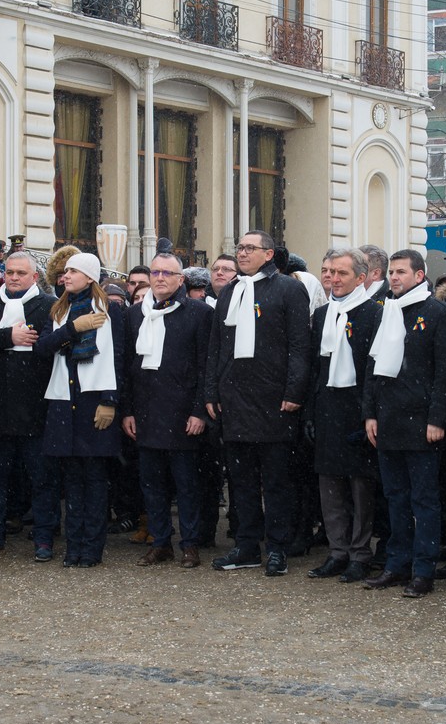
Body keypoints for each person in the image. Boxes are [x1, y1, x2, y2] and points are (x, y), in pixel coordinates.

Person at [205, 229, 312, 576]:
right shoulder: (231, 291)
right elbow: (217, 346)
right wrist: (211, 391)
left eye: (250, 248)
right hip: (235, 398)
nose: (243, 253)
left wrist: (294, 392)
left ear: (269, 254)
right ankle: (247, 544)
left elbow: (299, 346)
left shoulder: (288, 289)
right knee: (241, 480)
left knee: (277, 480)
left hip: (274, 399)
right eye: (240, 248)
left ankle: (278, 546)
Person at [361, 250, 446, 598]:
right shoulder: (386, 311)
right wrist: (370, 413)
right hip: (389, 421)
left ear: (420, 275)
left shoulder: (438, 313)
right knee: (395, 498)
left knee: (424, 501)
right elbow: (373, 368)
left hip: (422, 423)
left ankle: (423, 569)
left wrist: (438, 419)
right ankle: (396, 564)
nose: (394, 278)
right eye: (391, 272)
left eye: (401, 272)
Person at [34, 252, 126, 567]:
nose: (66, 276)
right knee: (72, 482)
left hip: (92, 399)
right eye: (65, 272)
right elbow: (43, 349)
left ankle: (92, 549)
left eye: (73, 271)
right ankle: (74, 547)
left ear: (89, 277)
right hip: (64, 401)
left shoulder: (110, 310)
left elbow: (117, 357)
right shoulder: (59, 310)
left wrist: (109, 401)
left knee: (96, 481)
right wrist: (73, 328)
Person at [122, 252, 213, 568]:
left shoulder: (199, 313)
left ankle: (190, 543)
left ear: (180, 280)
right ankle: (161, 542)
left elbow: (205, 366)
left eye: (167, 273)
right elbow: (128, 367)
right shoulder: (135, 315)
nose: (160, 278)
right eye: (155, 272)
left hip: (182, 413)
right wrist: (128, 410)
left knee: (186, 486)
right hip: (146, 412)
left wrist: (200, 410)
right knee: (152, 484)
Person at [0, 251, 59, 560]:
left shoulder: (49, 306)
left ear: (34, 277)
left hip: (36, 406)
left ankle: (45, 539)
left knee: (42, 479)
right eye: (9, 272)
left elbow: (51, 343)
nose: (13, 277)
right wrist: (8, 336)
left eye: (21, 273)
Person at [306, 247, 382, 582]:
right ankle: (337, 551)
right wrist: (309, 412)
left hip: (357, 412)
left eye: (342, 273)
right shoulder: (323, 315)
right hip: (327, 410)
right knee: (330, 487)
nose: (333, 279)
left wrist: (369, 414)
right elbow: (314, 369)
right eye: (330, 272)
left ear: (361, 278)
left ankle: (360, 553)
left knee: (360, 489)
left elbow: (375, 370)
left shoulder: (375, 314)